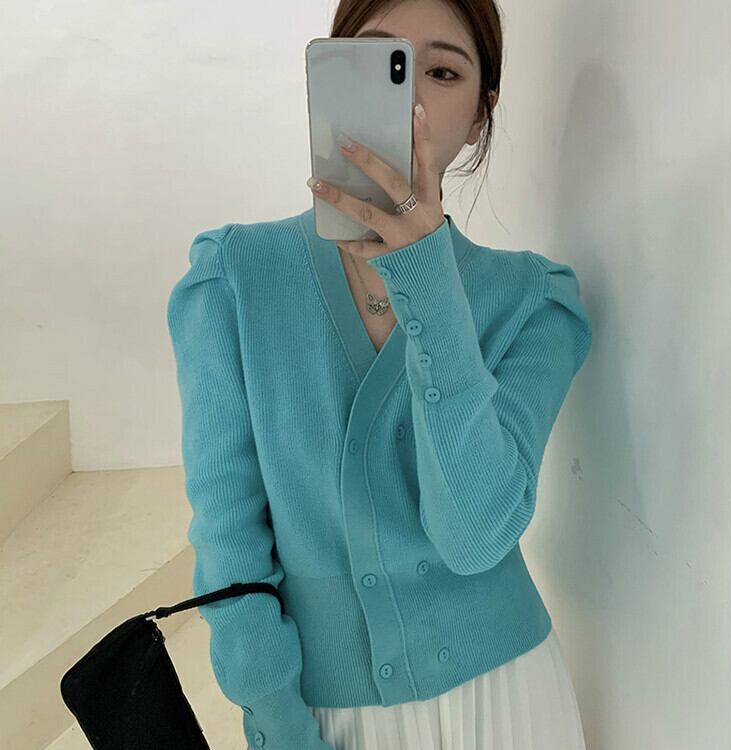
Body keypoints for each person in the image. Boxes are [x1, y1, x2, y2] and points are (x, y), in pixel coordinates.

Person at [167, 1, 592, 748]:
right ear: (325, 80)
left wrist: (428, 280)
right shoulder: (234, 280)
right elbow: (229, 538)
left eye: (443, 72)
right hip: (323, 717)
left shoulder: (535, 302)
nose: (411, 100)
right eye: (380, 64)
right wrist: (277, 723)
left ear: (481, 115)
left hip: (508, 702)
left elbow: (474, 536)